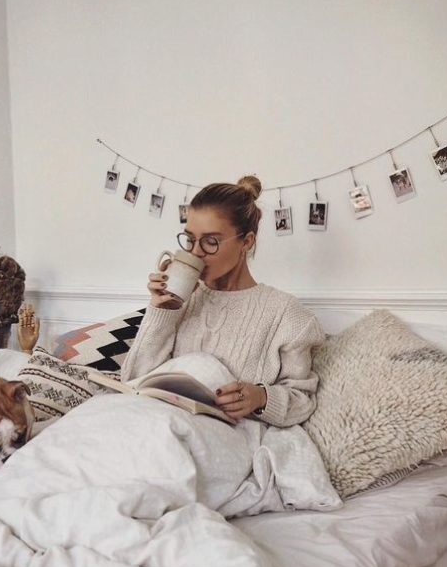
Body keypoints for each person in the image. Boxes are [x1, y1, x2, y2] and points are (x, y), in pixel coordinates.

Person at [121, 176, 325, 424]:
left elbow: (302, 401)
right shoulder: (183, 301)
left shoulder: (286, 314)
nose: (195, 252)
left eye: (210, 241)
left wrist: (261, 397)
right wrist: (162, 311)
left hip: (223, 437)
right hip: (159, 422)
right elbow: (132, 383)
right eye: (189, 240)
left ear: (246, 242)